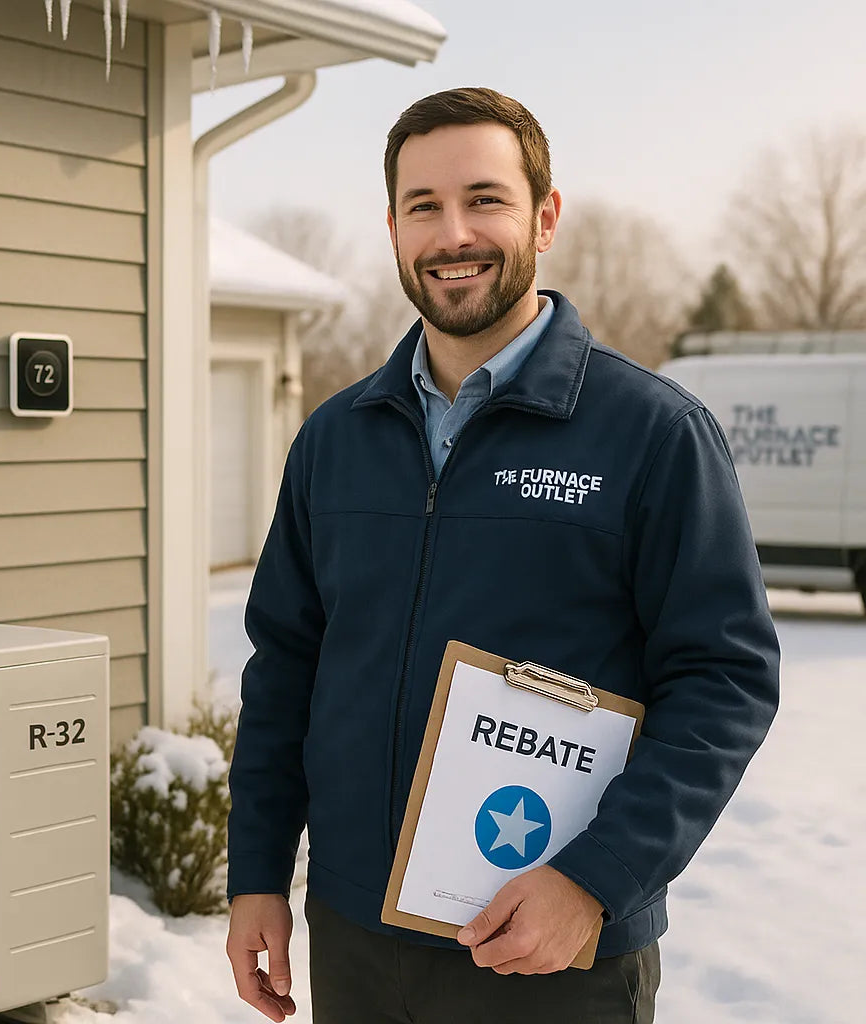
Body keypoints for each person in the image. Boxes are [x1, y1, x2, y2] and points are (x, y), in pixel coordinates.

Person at [223, 88, 780, 1024]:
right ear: (394, 228)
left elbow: (724, 681)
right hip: (358, 940)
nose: (454, 234)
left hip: (555, 949)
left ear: (544, 216)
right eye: (423, 206)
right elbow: (286, 669)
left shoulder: (652, 435)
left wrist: (597, 881)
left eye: (485, 199)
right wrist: (258, 874)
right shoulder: (334, 441)